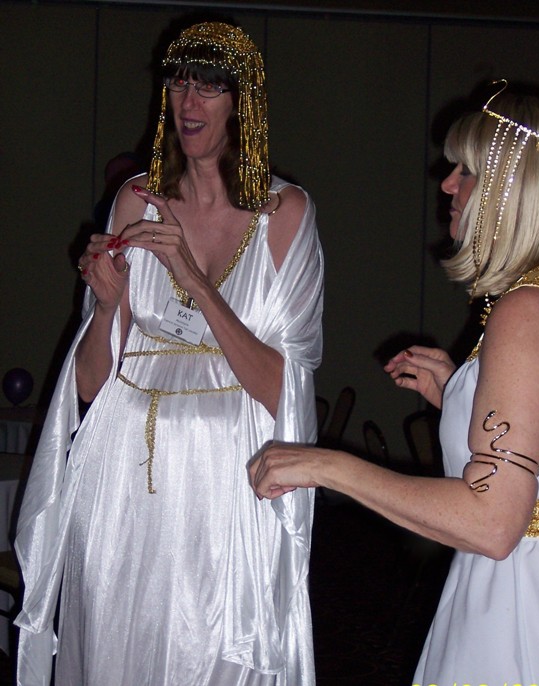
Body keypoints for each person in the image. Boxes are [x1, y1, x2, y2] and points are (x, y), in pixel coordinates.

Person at [251, 81, 539, 685]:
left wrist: (326, 465)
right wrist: (461, 390)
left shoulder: (530, 310)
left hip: (531, 610)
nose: (448, 185)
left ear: (516, 187)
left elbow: (492, 521)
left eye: (467, 171)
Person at [15, 22, 323, 686]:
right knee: (113, 651)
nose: (189, 101)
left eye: (208, 87)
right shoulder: (136, 199)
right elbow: (91, 384)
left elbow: (284, 390)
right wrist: (103, 309)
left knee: (211, 659)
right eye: (179, 83)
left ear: (241, 103)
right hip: (123, 479)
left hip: (228, 482)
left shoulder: (287, 214)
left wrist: (195, 281)